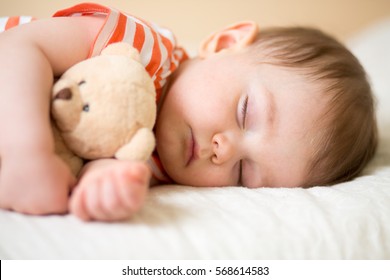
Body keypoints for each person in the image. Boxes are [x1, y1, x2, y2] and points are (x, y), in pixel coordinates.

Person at [0, 3, 377, 221]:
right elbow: (20, 46)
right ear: (224, 43)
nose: (223, 151)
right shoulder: (139, 47)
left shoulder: (161, 167)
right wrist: (27, 152)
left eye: (243, 173)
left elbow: (98, 148)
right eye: (246, 113)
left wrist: (106, 180)